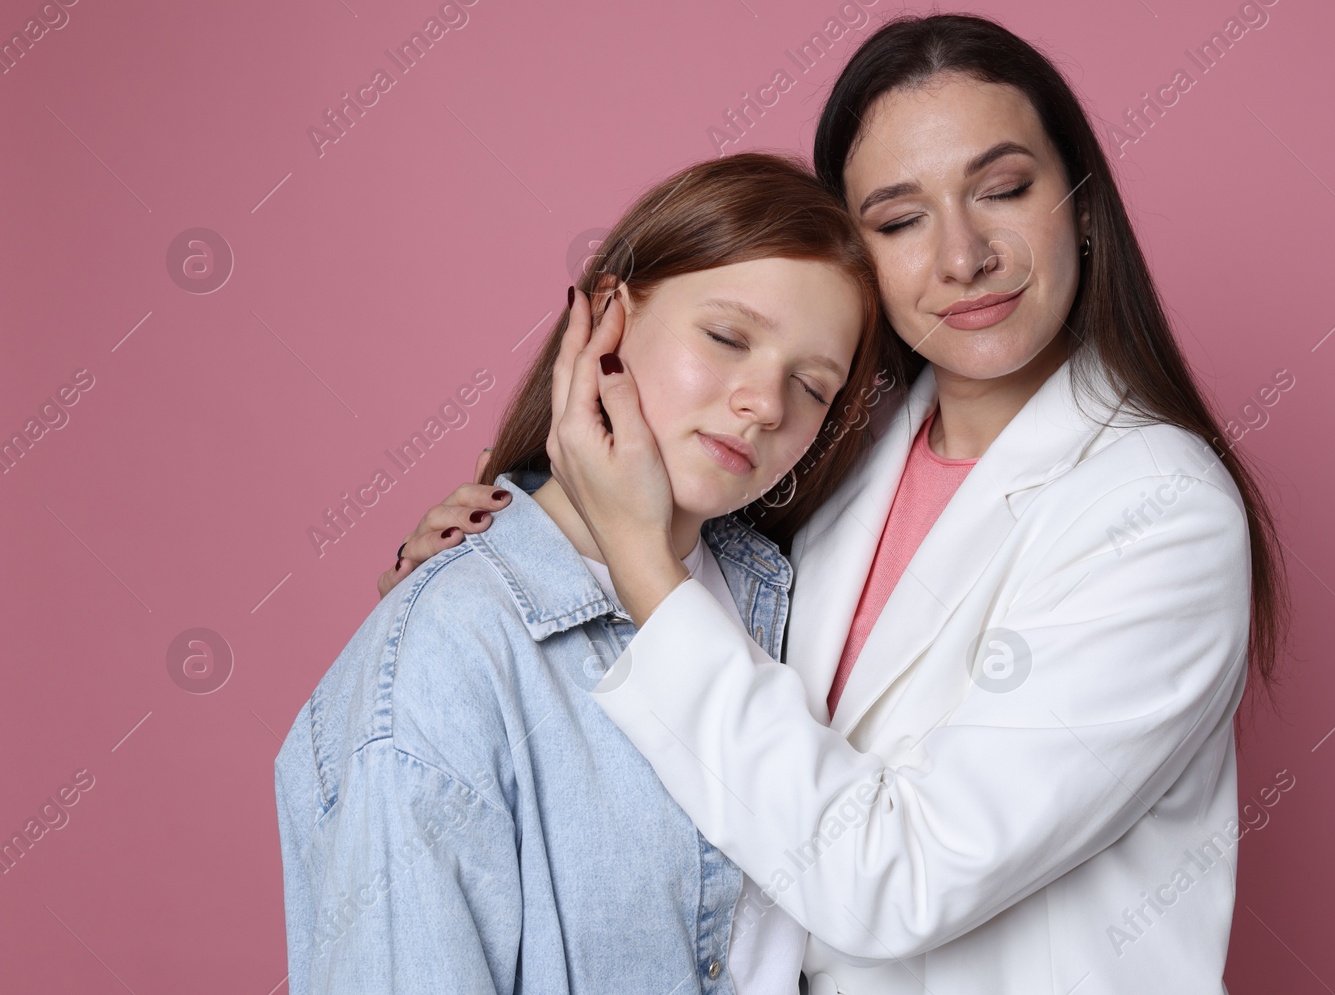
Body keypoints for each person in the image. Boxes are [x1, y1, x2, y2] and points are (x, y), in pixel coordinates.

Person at [387, 14, 1290, 994]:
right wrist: (518, 548)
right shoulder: (828, 457)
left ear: (1078, 203)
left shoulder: (1161, 511)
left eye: (1002, 190)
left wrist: (635, 556)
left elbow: (895, 882)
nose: (961, 256)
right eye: (900, 220)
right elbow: (682, 725)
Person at [273, 152, 893, 994]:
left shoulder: (791, 604)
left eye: (812, 385)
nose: (764, 402)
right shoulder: (450, 651)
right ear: (607, 319)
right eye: (726, 337)